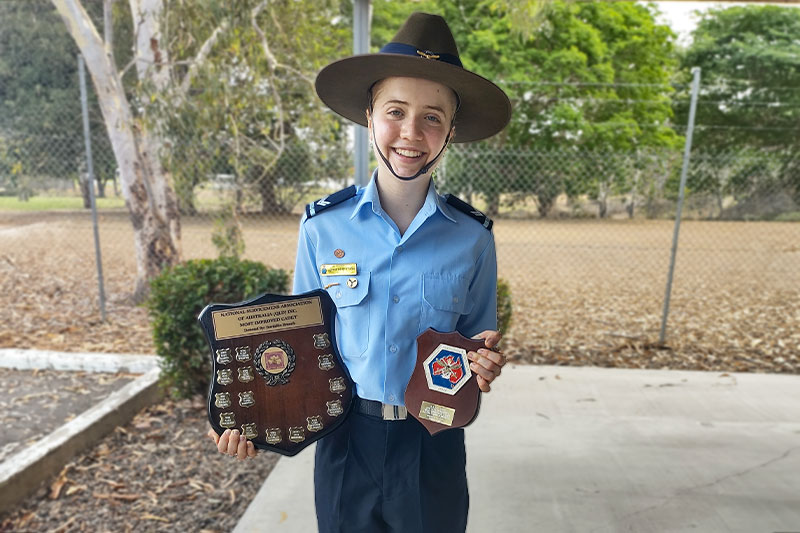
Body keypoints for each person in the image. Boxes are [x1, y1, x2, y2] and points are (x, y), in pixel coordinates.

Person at [209, 12, 511, 532]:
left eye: (433, 117)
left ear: (451, 131)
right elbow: (294, 346)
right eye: (396, 111)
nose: (411, 133)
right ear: (369, 116)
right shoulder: (322, 228)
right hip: (345, 436)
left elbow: (477, 342)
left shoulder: (472, 237)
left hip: (431, 439)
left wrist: (486, 364)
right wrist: (252, 416)